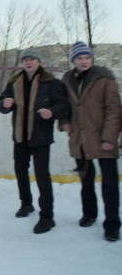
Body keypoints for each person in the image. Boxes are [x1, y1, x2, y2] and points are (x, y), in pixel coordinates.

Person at [0, 47, 69, 234]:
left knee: (42, 175)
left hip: (40, 137)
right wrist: (4, 104)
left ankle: (47, 217)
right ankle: (26, 203)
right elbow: (2, 101)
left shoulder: (50, 82)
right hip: (20, 137)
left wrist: (52, 112)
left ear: (39, 62)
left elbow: (64, 105)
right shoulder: (15, 81)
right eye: (26, 59)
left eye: (32, 59)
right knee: (20, 170)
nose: (28, 62)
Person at [59, 42, 121, 242]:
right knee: (86, 180)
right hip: (80, 139)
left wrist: (109, 138)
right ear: (74, 61)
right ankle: (89, 214)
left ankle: (111, 224)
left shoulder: (105, 78)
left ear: (91, 59)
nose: (83, 61)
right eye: (79, 58)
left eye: (86, 57)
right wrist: (65, 122)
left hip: (103, 138)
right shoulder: (68, 79)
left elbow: (114, 109)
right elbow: (64, 105)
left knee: (110, 184)